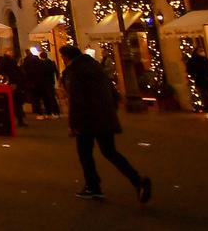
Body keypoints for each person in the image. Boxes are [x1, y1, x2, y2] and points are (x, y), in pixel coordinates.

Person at [59, 44, 151, 203]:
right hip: (104, 117)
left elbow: (76, 99)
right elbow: (114, 94)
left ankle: (93, 187)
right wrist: (109, 112)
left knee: (85, 154)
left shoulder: (75, 72)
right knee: (110, 152)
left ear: (66, 57)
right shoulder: (95, 67)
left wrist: (73, 124)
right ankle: (137, 180)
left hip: (86, 119)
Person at [0, 51, 28, 127]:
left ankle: (14, 119)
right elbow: (15, 72)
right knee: (16, 103)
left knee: (13, 102)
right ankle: (19, 119)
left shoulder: (5, 62)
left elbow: (1, 72)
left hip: (10, 83)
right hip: (13, 83)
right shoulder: (10, 62)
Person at [186, 47, 208, 117]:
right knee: (205, 95)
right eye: (200, 51)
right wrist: (195, 75)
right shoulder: (193, 60)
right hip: (200, 80)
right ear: (196, 52)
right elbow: (190, 70)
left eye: (203, 50)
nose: (202, 52)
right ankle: (207, 110)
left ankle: (207, 110)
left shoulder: (205, 59)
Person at [21, 49, 46, 118]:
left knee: (35, 97)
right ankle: (44, 111)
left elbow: (24, 70)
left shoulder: (26, 61)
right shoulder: (37, 59)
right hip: (39, 80)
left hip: (31, 80)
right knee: (41, 96)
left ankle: (38, 111)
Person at [36, 51, 61, 118]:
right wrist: (58, 80)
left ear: (41, 56)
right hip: (50, 82)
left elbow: (39, 74)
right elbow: (56, 72)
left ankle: (48, 112)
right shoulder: (51, 62)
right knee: (52, 97)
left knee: (45, 98)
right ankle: (56, 112)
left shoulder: (40, 63)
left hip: (43, 83)